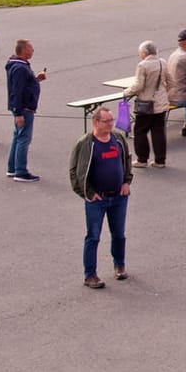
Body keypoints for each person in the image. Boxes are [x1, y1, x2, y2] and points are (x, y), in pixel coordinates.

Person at [70, 107, 132, 289]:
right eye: (107, 121)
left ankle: (119, 265)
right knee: (93, 237)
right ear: (95, 122)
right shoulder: (86, 144)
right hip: (97, 200)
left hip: (119, 197)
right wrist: (87, 194)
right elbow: (75, 172)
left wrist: (127, 182)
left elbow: (127, 161)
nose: (111, 124)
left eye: (112, 120)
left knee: (119, 234)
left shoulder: (118, 139)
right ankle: (90, 275)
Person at [122, 41, 169, 168]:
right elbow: (170, 81)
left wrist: (127, 92)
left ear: (144, 53)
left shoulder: (143, 65)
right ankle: (160, 160)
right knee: (158, 131)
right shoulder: (162, 62)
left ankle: (142, 159)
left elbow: (139, 85)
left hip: (146, 103)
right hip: (161, 102)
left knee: (140, 130)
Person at [5, 38, 45, 182]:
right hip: (24, 109)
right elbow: (17, 91)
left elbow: (24, 86)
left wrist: (36, 80)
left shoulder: (18, 66)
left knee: (18, 137)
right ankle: (20, 171)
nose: (33, 50)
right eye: (31, 48)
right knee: (23, 139)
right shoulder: (20, 69)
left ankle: (12, 168)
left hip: (23, 108)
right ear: (24, 50)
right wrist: (18, 113)